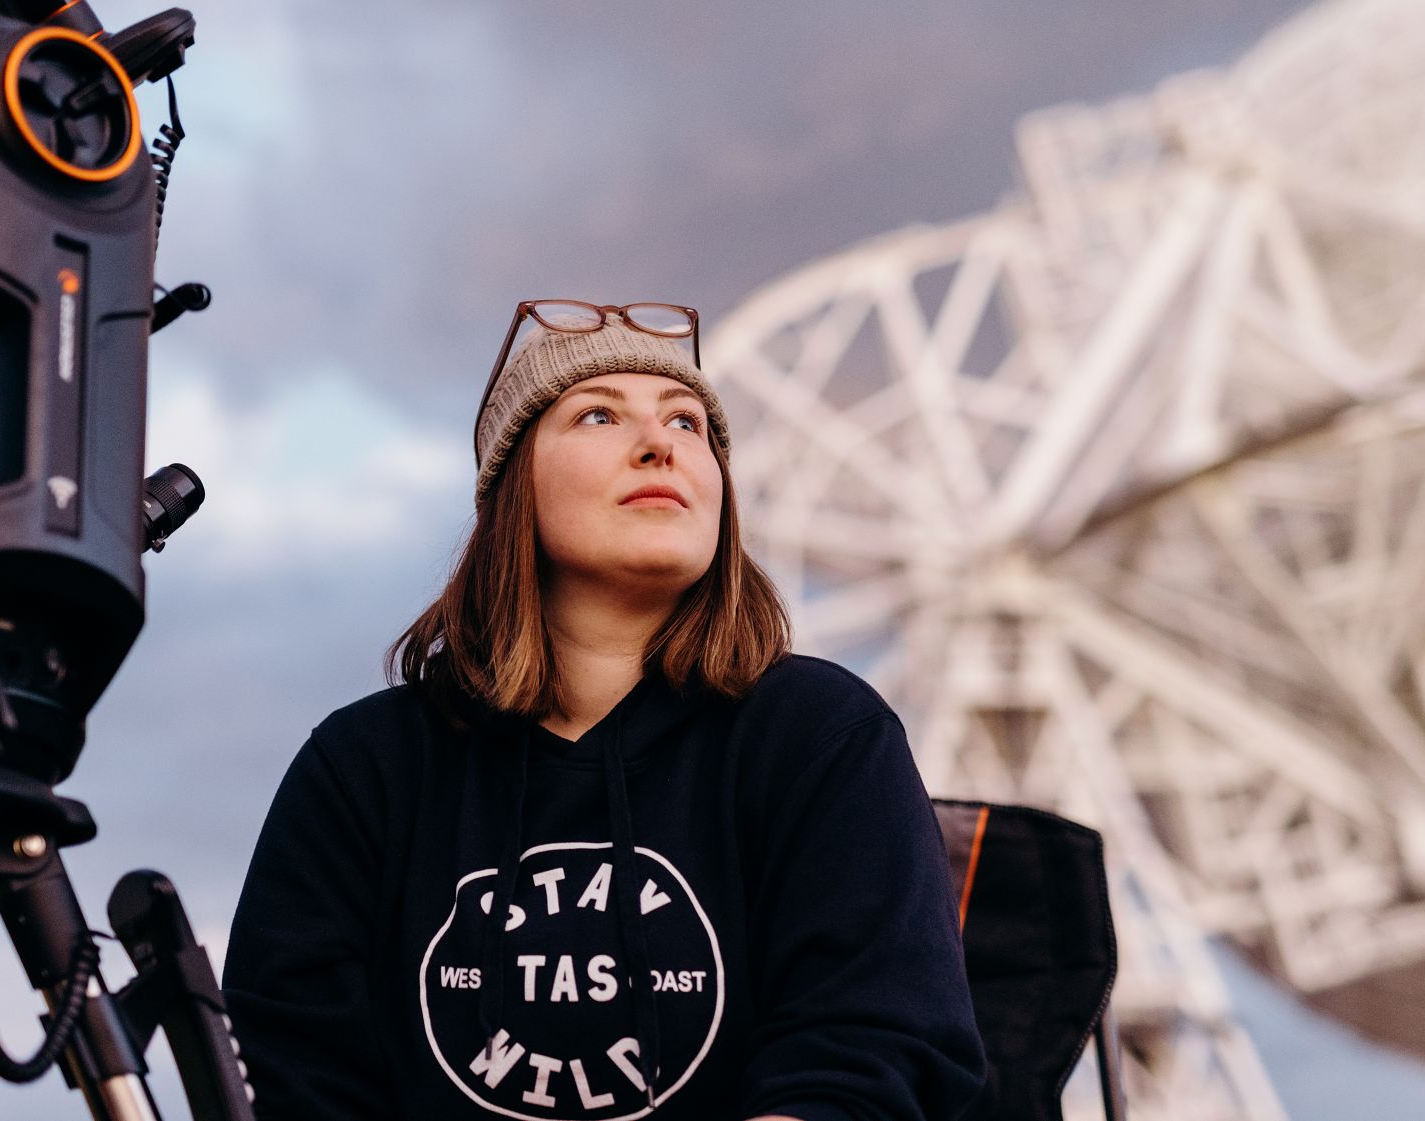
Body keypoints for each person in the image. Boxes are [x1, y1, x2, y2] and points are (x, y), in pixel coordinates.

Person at [221, 300, 985, 1121]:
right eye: (597, 413)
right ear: (515, 488)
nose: (661, 444)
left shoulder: (819, 736)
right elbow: (294, 1075)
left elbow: (874, 1052)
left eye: (689, 423)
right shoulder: (366, 768)